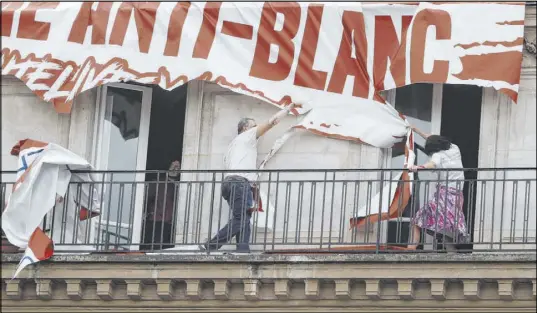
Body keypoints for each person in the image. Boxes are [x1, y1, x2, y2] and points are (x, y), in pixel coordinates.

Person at [200, 104, 296, 253]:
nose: (256, 128)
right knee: (241, 219)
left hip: (230, 184)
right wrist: (288, 109)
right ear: (245, 128)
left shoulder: (233, 146)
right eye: (253, 125)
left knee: (244, 217)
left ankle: (243, 249)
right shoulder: (247, 136)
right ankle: (212, 245)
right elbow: (272, 121)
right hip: (239, 183)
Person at [407, 126, 469, 252]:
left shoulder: (437, 155)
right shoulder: (454, 147)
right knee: (446, 225)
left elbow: (432, 164)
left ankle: (410, 250)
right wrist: (416, 130)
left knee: (418, 220)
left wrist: (418, 167)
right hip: (457, 195)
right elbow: (430, 137)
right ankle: (452, 254)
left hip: (444, 194)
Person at [142, 160, 180, 250]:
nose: (175, 169)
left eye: (178, 167)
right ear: (168, 168)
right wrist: (145, 212)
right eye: (173, 166)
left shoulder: (180, 183)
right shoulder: (158, 182)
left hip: (172, 222)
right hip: (157, 220)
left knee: (167, 249)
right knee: (155, 247)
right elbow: (146, 198)